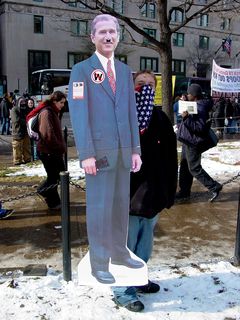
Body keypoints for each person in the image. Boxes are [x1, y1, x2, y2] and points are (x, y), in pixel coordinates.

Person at [68, 14, 142, 285]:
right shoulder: (81, 71)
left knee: (120, 207)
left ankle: (119, 252)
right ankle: (99, 262)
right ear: (93, 37)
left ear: (118, 36)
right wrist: (85, 153)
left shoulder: (124, 71)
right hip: (97, 155)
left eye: (112, 32)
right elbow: (78, 114)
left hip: (123, 153)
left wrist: (135, 149)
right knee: (99, 208)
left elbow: (131, 113)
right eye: (103, 32)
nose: (108, 37)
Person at [112, 70, 178, 312]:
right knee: (125, 246)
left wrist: (170, 191)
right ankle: (122, 291)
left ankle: (138, 280)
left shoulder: (160, 119)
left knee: (144, 246)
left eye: (151, 84)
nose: (147, 87)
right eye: (141, 83)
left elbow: (171, 158)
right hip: (126, 195)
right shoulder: (120, 116)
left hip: (153, 196)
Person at [176, 83, 222, 202]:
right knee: (185, 167)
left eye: (189, 94)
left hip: (193, 142)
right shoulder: (195, 104)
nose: (187, 95)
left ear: (195, 96)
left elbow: (200, 128)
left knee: (194, 168)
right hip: (188, 140)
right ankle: (184, 191)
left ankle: (214, 187)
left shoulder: (200, 108)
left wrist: (186, 118)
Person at [35, 91, 67, 210]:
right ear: (54, 101)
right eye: (61, 102)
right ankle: (51, 199)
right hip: (48, 152)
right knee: (54, 176)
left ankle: (53, 201)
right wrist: (59, 147)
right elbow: (47, 134)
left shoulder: (53, 111)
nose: (63, 105)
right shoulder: (47, 112)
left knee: (56, 176)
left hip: (52, 151)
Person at [10, 96, 31, 165]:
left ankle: (27, 160)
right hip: (17, 132)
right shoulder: (14, 109)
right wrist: (26, 121)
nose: (23, 103)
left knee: (26, 147)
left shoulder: (26, 109)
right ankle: (17, 161)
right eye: (21, 101)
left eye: (24, 101)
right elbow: (16, 120)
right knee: (17, 148)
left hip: (26, 132)